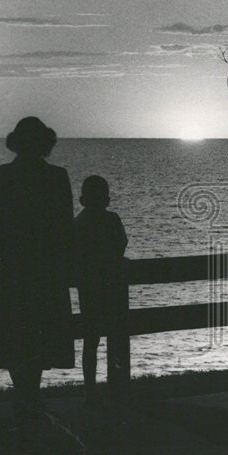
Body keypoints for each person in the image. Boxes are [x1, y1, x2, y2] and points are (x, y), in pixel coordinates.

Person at [0, 117, 75, 424]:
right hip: (47, 270)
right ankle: (31, 398)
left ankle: (25, 397)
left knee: (15, 334)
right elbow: (64, 227)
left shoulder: (1, 176)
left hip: (15, 269)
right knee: (39, 335)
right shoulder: (57, 177)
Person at [73, 175, 129, 413]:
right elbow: (121, 244)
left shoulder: (78, 223)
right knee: (116, 338)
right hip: (113, 288)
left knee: (90, 342)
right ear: (106, 198)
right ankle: (117, 388)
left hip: (88, 289)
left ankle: (90, 392)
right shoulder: (112, 220)